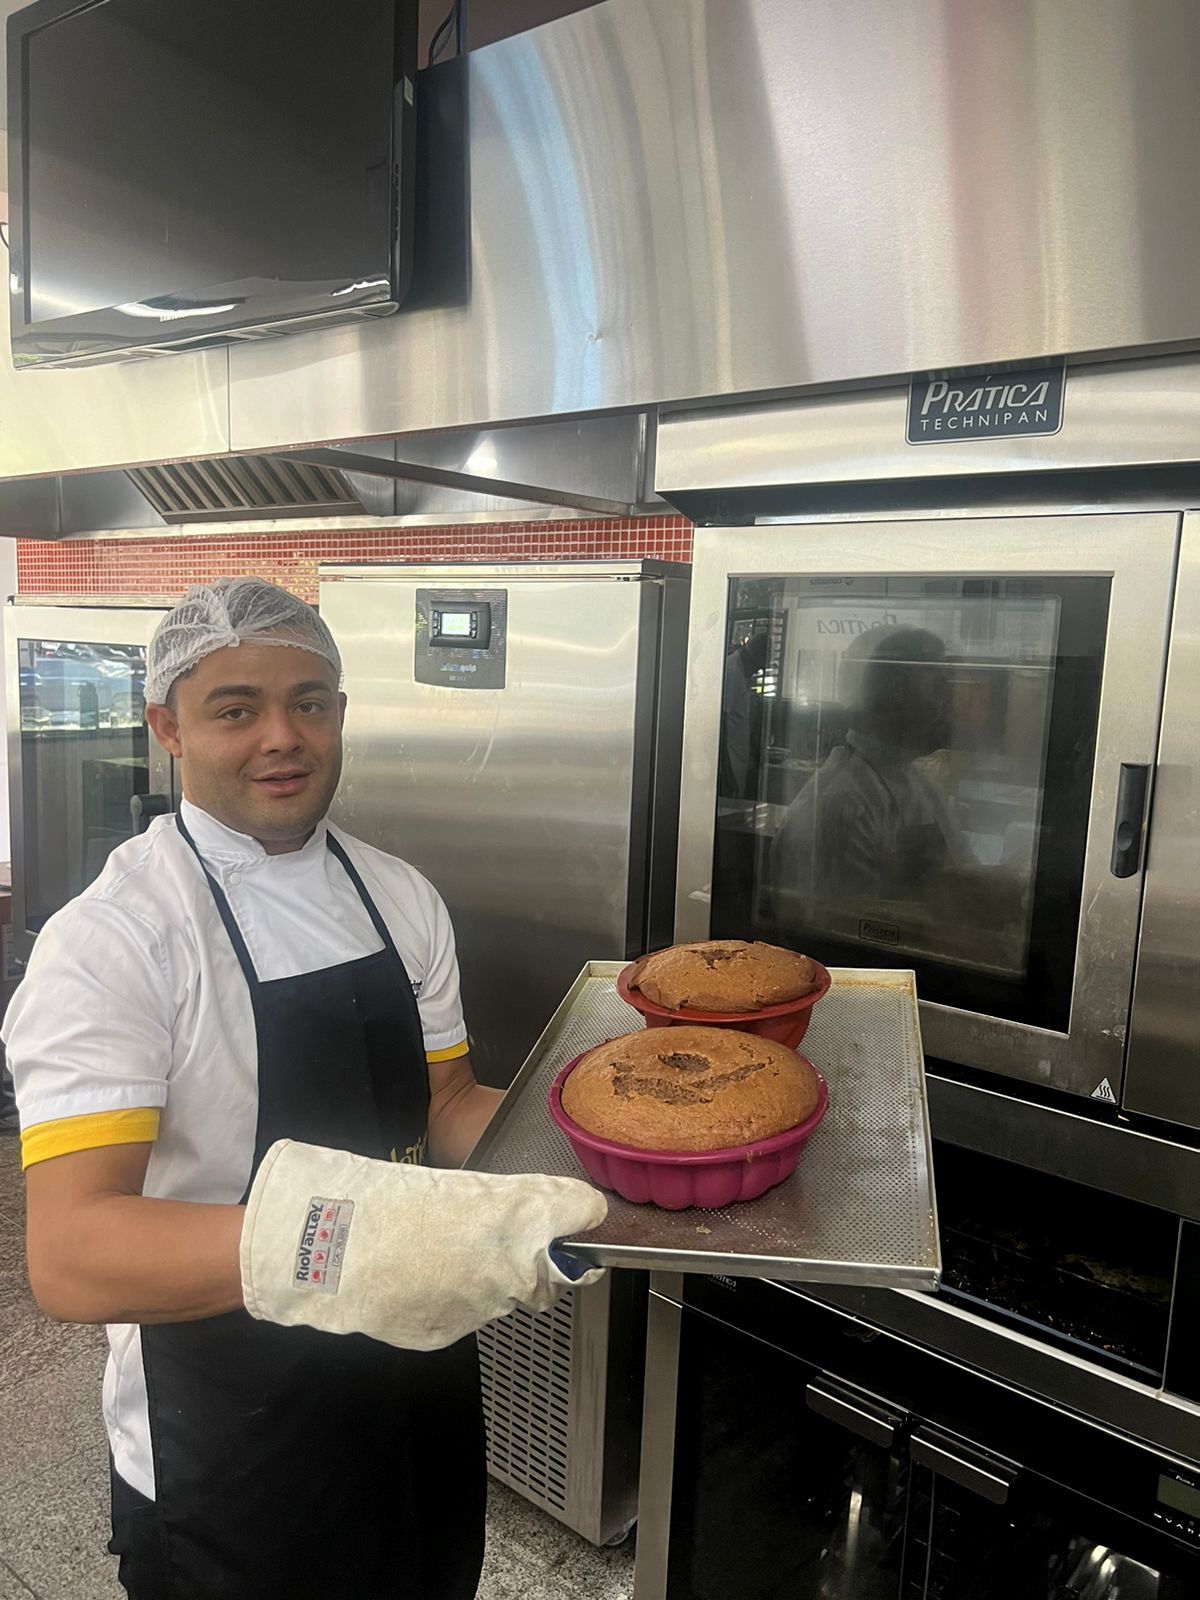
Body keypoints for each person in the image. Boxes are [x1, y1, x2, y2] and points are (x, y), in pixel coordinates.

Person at [2, 578, 607, 1600]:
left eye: (309, 703)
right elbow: (73, 1254)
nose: (282, 736)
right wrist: (362, 1243)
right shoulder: (116, 941)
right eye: (235, 708)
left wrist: (602, 1154)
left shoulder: (398, 896)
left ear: (340, 712)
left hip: (414, 1379)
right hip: (231, 1435)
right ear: (168, 728)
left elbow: (445, 1107)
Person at [770, 625, 967, 917]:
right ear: (891, 693)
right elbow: (848, 927)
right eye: (935, 679)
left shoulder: (920, 786)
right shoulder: (841, 805)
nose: (948, 697)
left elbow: (964, 879)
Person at [719, 631, 771, 799]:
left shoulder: (742, 672)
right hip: (728, 764)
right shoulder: (732, 671)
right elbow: (721, 725)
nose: (757, 671)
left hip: (737, 759)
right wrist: (726, 772)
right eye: (757, 666)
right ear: (751, 657)